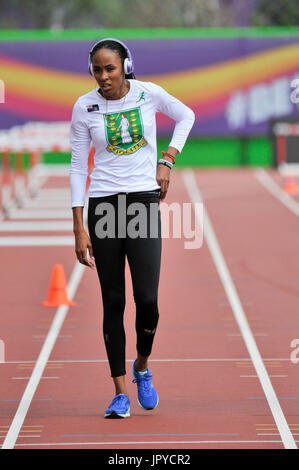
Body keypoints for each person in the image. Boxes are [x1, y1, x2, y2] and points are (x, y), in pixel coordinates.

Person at [69, 38, 195, 419]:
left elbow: (186, 115)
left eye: (110, 68)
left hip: (142, 201)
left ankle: (142, 366)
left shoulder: (148, 94)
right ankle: (120, 392)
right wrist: (78, 226)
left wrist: (167, 160)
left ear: (126, 65)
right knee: (113, 302)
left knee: (148, 300)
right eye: (97, 69)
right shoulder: (84, 106)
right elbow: (77, 167)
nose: (103, 76)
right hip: (104, 206)